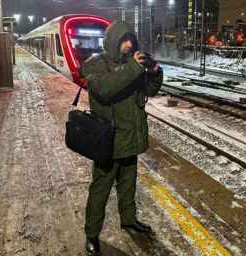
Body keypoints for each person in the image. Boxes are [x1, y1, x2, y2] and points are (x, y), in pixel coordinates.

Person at [81, 21, 163, 255]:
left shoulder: (132, 65)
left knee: (128, 185)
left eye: (131, 40)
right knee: (100, 189)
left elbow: (150, 90)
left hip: (130, 138)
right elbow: (106, 88)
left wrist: (155, 73)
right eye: (124, 40)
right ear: (113, 40)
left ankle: (128, 219)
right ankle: (92, 233)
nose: (128, 45)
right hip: (108, 141)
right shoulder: (95, 65)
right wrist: (134, 68)